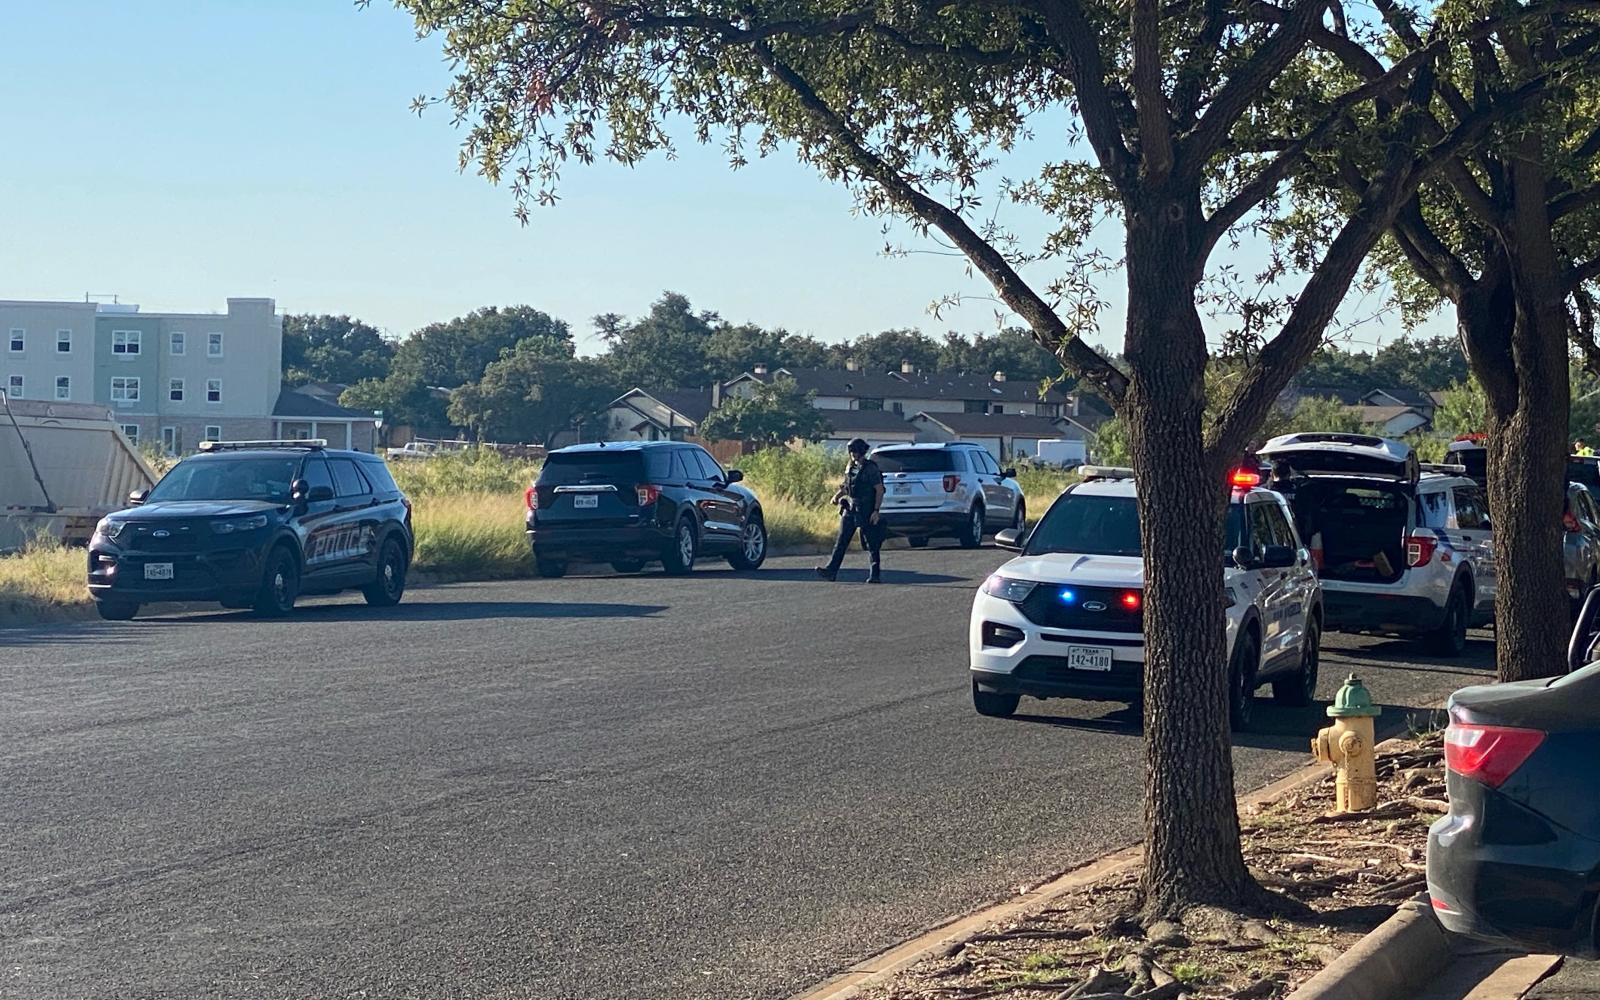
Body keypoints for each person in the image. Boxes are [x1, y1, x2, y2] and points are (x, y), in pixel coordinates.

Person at [816, 438, 886, 583]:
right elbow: (847, 486)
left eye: (856, 451)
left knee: (872, 543)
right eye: (851, 451)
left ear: (862, 452)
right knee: (841, 540)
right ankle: (831, 571)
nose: (853, 454)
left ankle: (875, 574)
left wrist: (876, 511)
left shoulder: (871, 468)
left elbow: (879, 490)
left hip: (867, 508)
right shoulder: (850, 467)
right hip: (851, 507)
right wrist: (837, 496)